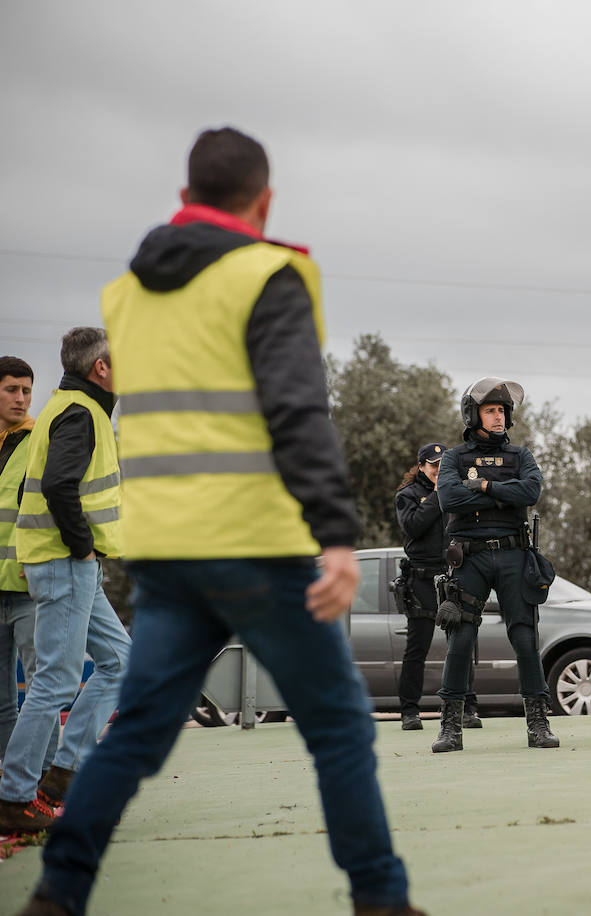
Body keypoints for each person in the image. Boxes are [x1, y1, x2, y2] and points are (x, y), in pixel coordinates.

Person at [16, 128, 420, 916]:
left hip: (165, 551)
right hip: (256, 546)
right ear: (262, 200)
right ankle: (382, 899)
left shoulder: (126, 294)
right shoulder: (270, 274)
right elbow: (298, 411)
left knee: (134, 732)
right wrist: (336, 535)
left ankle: (57, 895)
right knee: (339, 729)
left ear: (185, 195)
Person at [1, 329, 132, 838]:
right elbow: (59, 485)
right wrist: (81, 545)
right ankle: (15, 797)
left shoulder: (71, 407)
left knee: (122, 660)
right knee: (54, 682)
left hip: (70, 562)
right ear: (100, 367)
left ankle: (64, 775)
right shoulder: (81, 411)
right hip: (64, 561)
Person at [433, 377, 557, 751]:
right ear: (474, 414)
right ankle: (450, 726)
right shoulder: (455, 457)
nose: (498, 416)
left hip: (513, 554)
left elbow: (530, 492)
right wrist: (505, 495)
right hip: (468, 557)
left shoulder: (522, 456)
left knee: (524, 637)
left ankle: (538, 723)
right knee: (461, 638)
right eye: (491, 410)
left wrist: (484, 488)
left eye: (502, 410)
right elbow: (449, 499)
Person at [394, 443, 480, 732]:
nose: (439, 470)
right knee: (417, 648)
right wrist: (437, 494)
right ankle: (409, 712)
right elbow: (414, 527)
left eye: (443, 465)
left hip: (452, 577)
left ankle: (468, 707)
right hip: (420, 579)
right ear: (421, 467)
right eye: (433, 465)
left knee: (461, 643)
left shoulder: (455, 492)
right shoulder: (407, 496)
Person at [0, 356, 60, 772]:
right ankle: (8, 784)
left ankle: (46, 781)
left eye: (26, 390)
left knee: (43, 690)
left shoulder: (42, 437)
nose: (21, 399)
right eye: (11, 390)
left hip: (28, 587)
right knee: (2, 701)